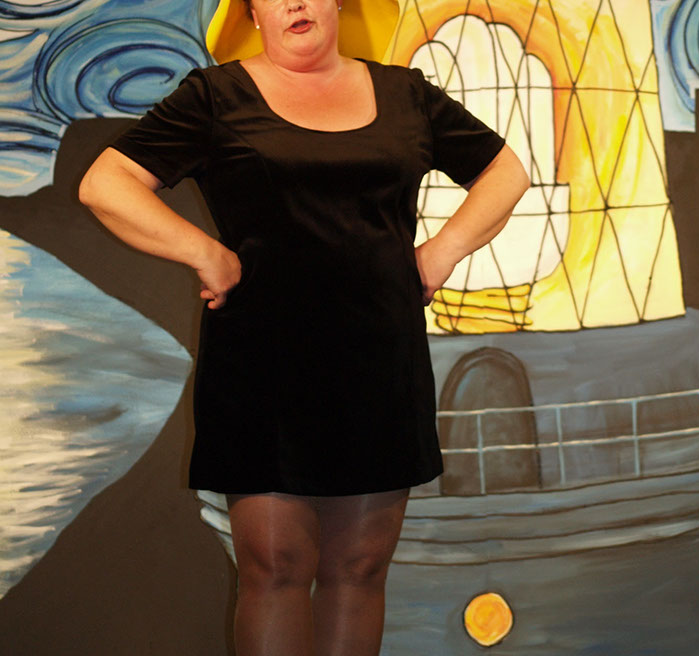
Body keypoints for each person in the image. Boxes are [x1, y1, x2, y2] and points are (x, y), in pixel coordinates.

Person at [79, 0, 530, 654]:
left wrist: (442, 251)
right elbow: (106, 183)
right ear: (251, 12)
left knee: (359, 570)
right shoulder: (216, 96)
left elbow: (506, 171)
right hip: (261, 368)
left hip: (380, 365)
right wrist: (203, 252)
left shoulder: (405, 94)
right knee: (275, 569)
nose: (293, 1)